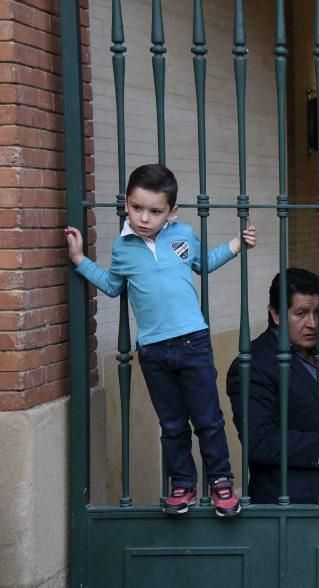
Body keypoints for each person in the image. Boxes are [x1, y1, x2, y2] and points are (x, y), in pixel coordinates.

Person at [65, 163, 256, 517]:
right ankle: (182, 483)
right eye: (137, 208)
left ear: (171, 212)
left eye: (155, 211)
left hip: (193, 343)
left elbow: (203, 263)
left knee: (208, 419)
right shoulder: (123, 247)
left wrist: (235, 244)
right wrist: (79, 260)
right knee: (171, 424)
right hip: (153, 349)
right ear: (126, 204)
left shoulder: (183, 235)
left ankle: (220, 481)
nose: (144, 218)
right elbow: (112, 286)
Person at [226, 269, 319, 504]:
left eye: (317, 312)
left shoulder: (316, 353)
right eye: (301, 313)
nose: (313, 323)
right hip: (292, 506)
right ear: (276, 315)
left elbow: (317, 414)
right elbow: (259, 442)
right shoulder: (253, 364)